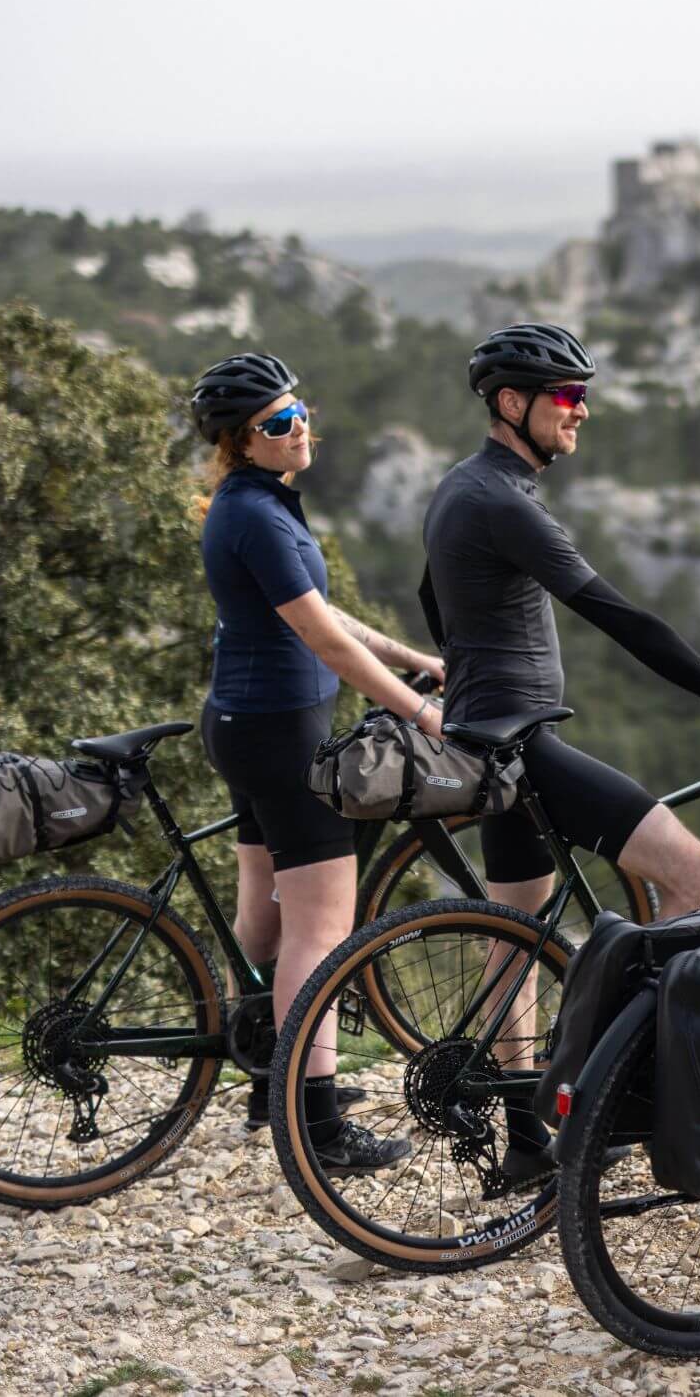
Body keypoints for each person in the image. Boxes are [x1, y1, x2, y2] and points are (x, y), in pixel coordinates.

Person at [420, 321, 700, 1189]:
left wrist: (467, 671)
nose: (580, 412)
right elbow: (620, 615)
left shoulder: (459, 488)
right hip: (526, 744)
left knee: (514, 939)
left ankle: (528, 1140)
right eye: (567, 397)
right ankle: (634, 1094)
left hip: (488, 740)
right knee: (696, 882)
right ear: (511, 403)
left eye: (583, 397)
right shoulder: (502, 501)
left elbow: (428, 595)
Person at [192, 352, 444, 1172]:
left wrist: (416, 659)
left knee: (265, 917)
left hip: (247, 723)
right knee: (322, 929)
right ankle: (318, 1122)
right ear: (242, 440)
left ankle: (271, 1074)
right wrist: (419, 710)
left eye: (299, 413)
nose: (298, 430)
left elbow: (326, 609)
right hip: (281, 732)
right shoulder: (258, 516)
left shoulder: (257, 505)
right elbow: (322, 636)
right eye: (277, 424)